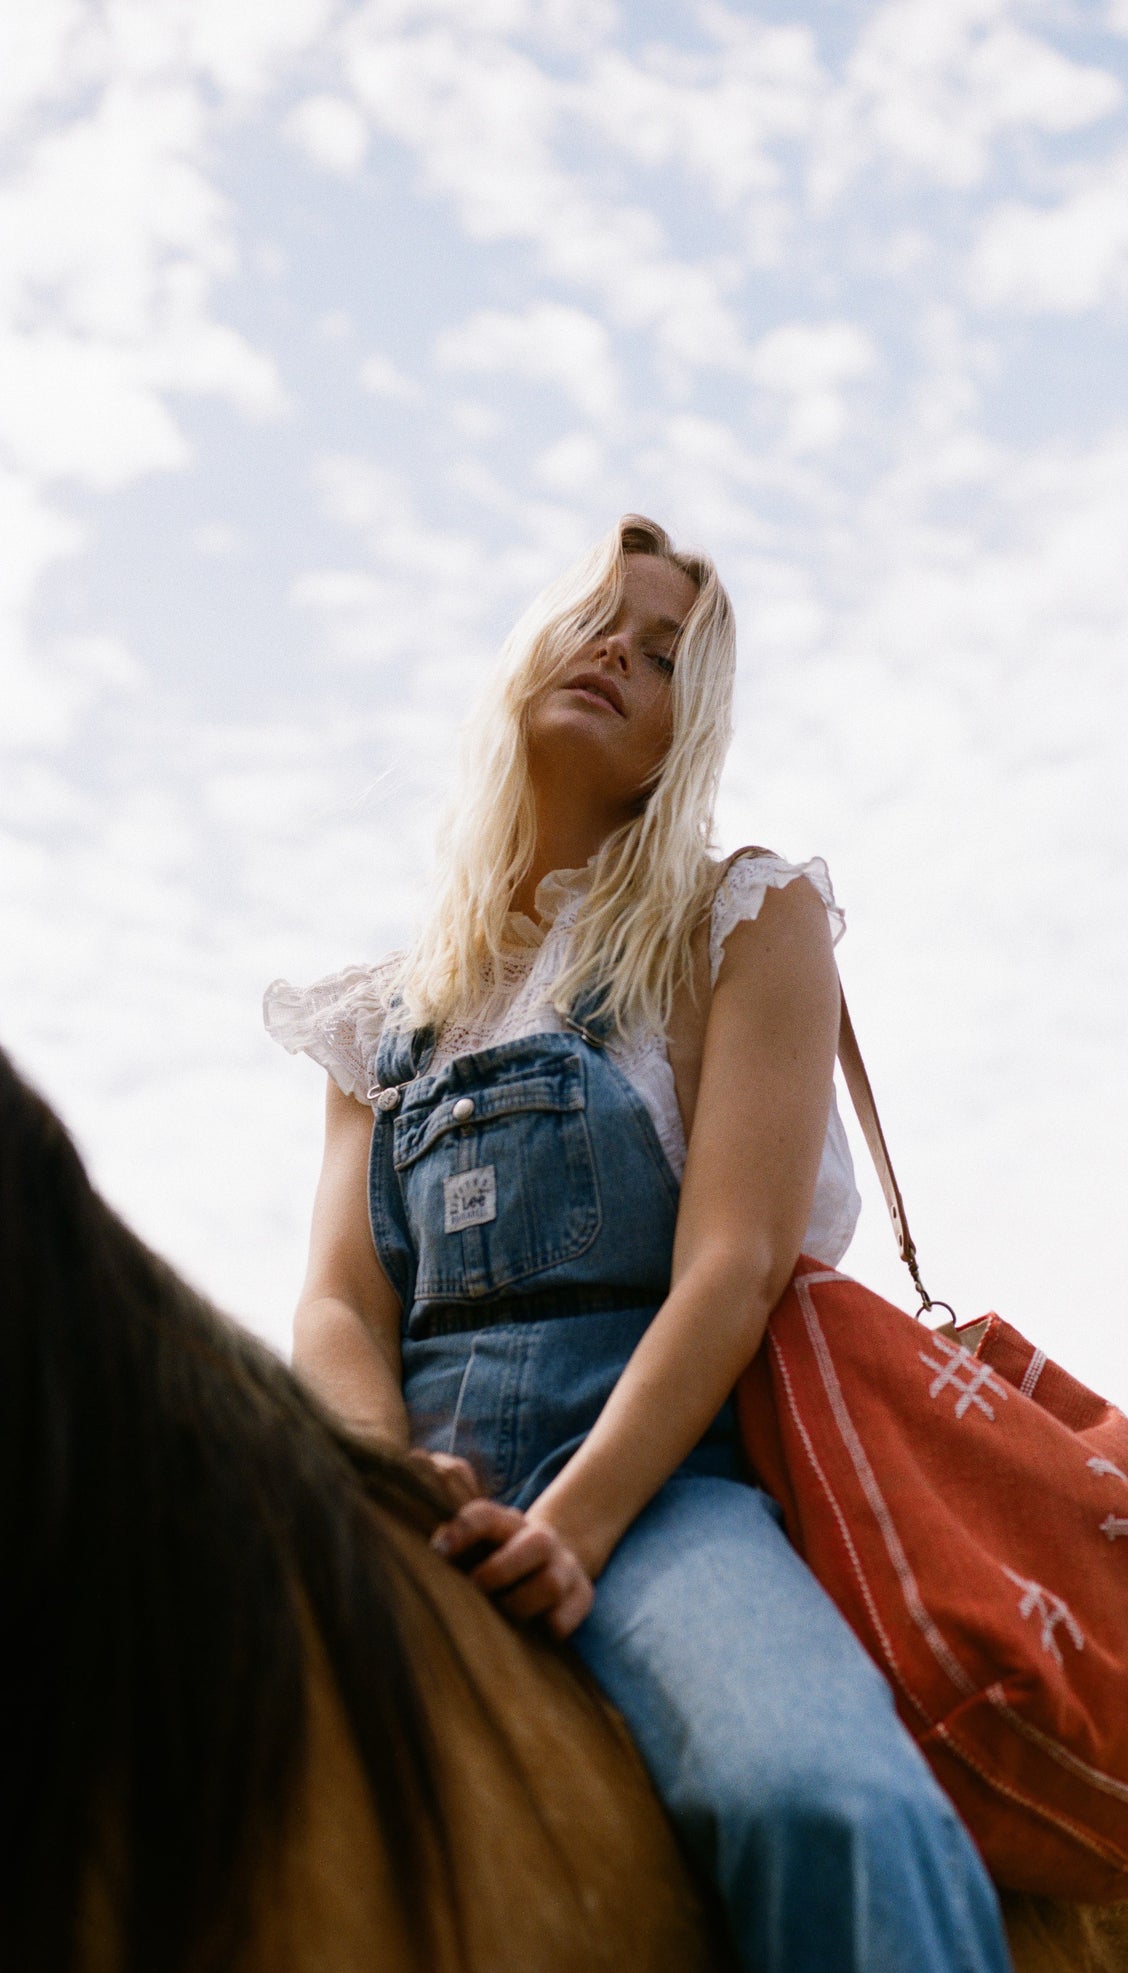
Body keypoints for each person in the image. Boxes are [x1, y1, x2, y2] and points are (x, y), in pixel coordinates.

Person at [265, 515, 1011, 1973]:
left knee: (827, 1803)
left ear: (688, 727)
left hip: (664, 1489)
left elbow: (730, 1265)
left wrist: (576, 1525)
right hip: (403, 1479)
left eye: (663, 651)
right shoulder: (382, 1011)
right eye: (597, 617)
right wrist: (379, 1468)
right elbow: (339, 1303)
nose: (618, 648)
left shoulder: (744, 921)